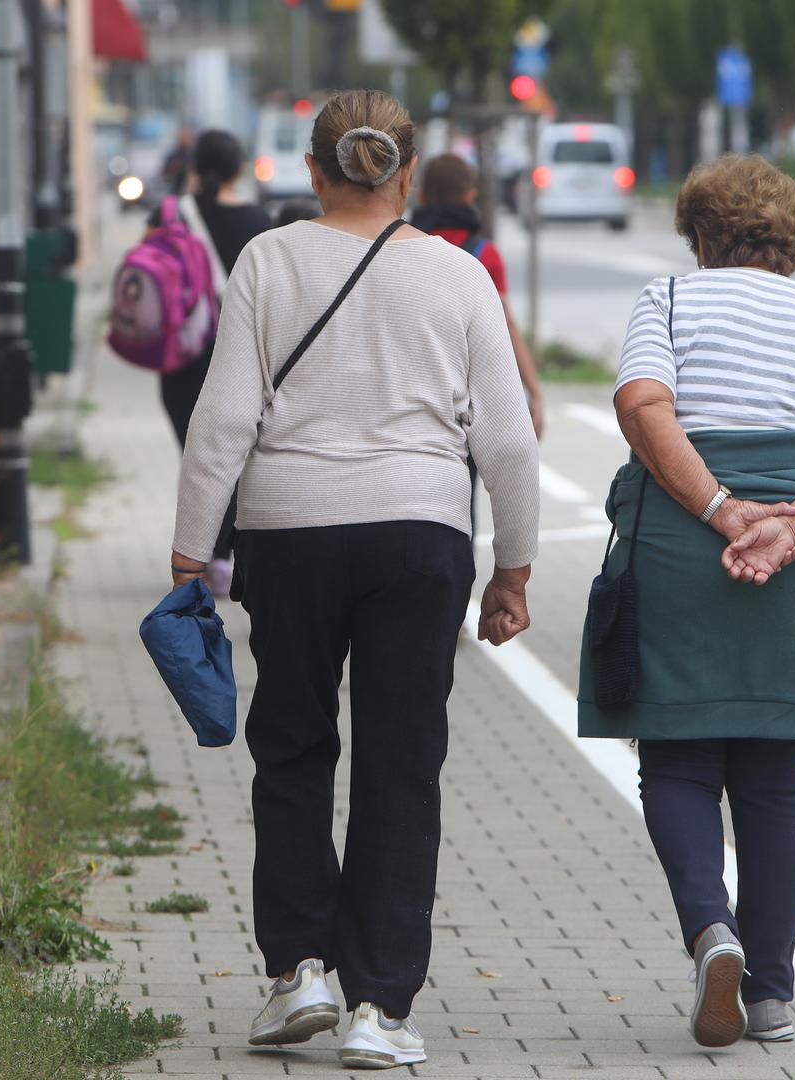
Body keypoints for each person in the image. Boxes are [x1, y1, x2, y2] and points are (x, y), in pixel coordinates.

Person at [170, 90, 539, 1070]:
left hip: (287, 535)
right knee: (400, 763)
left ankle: (298, 972)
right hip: (421, 536)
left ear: (312, 169)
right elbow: (506, 440)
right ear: (407, 174)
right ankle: (378, 1006)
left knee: (291, 745)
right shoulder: (457, 275)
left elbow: (222, 422)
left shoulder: (269, 259)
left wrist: (189, 549)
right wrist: (514, 568)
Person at [577, 155, 795, 1048]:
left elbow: (642, 404)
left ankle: (709, 930)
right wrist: (788, 530)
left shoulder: (671, 302)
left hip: (683, 546)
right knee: (773, 777)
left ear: (701, 237)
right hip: (790, 563)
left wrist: (721, 510)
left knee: (677, 762)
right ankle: (771, 993)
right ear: (790, 243)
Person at [152, 129, 271, 597]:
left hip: (181, 354)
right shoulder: (259, 220)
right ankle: (226, 556)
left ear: (194, 166)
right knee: (239, 455)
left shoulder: (169, 215)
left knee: (198, 455)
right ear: (240, 168)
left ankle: (205, 555)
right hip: (238, 355)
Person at [412, 153, 545, 438]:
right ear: (470, 196)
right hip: (468, 400)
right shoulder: (484, 254)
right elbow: (506, 324)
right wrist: (533, 389)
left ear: (421, 196)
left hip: (412, 391)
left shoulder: (401, 247)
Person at [159, 124, 195, 195]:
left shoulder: (194, 155)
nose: (184, 139)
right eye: (182, 136)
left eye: (186, 136)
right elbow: (164, 175)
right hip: (174, 192)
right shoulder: (173, 156)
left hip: (190, 193)